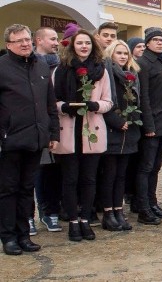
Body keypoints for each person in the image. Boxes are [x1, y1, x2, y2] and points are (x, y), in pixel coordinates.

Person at [0, 24, 59, 255]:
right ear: (8, 45)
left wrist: (53, 133)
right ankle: (8, 237)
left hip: (36, 139)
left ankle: (24, 235)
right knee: (8, 190)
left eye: (27, 39)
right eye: (19, 41)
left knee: (26, 189)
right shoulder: (2, 67)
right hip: (10, 141)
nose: (25, 44)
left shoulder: (41, 65)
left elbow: (50, 103)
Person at [53, 29, 114, 241]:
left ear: (92, 45)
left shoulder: (101, 70)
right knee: (70, 179)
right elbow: (52, 101)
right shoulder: (61, 70)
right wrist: (64, 106)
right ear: (73, 46)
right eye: (79, 43)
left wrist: (96, 105)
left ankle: (86, 219)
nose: (84, 47)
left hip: (92, 129)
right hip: (69, 128)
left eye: (87, 43)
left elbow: (109, 101)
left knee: (89, 179)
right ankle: (72, 221)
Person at [100, 40, 142, 231]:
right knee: (109, 175)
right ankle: (108, 213)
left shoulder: (132, 75)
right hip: (112, 131)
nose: (123, 56)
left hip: (129, 132)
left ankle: (119, 211)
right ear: (111, 54)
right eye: (119, 53)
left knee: (121, 176)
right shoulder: (106, 74)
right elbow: (104, 102)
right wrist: (117, 122)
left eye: (126, 53)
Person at [136, 27, 162, 225]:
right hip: (152, 124)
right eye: (156, 40)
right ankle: (143, 208)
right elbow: (144, 97)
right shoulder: (143, 63)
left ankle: (152, 203)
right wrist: (148, 125)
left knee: (156, 167)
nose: (160, 43)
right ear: (148, 42)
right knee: (146, 167)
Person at [32, 27, 62, 234]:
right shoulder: (32, 64)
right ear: (39, 40)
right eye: (52, 39)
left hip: (58, 123)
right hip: (37, 124)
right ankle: (40, 211)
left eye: (57, 39)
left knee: (54, 171)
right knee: (39, 170)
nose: (56, 42)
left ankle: (52, 210)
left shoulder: (59, 64)